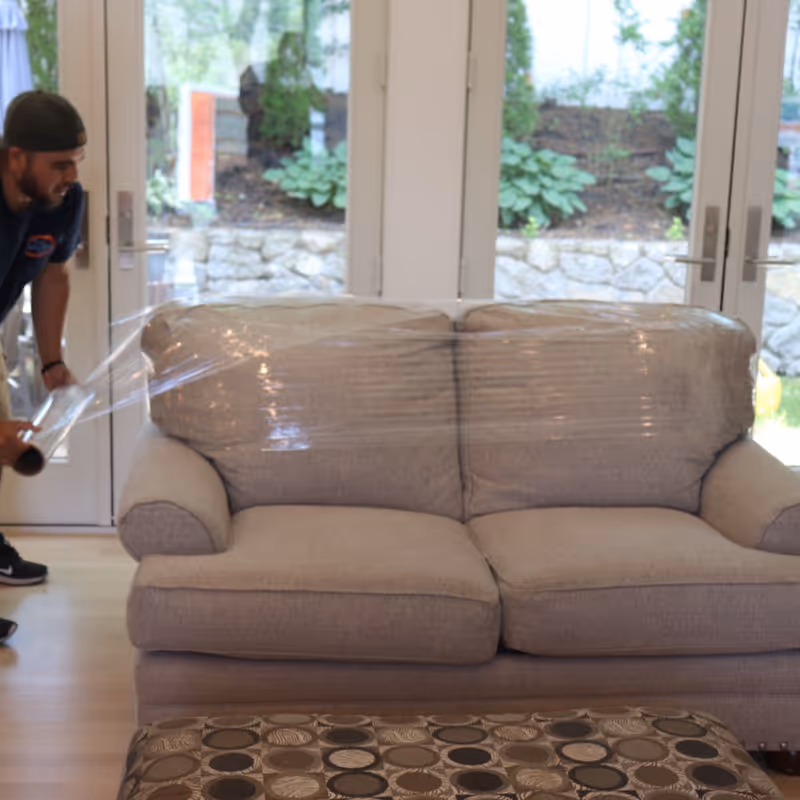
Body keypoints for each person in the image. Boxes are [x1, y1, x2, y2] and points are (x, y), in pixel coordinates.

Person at [0, 91, 87, 644]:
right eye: (59, 162)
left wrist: (52, 361)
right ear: (14, 159)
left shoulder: (64, 199)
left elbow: (52, 273)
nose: (71, 174)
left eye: (77, 158)